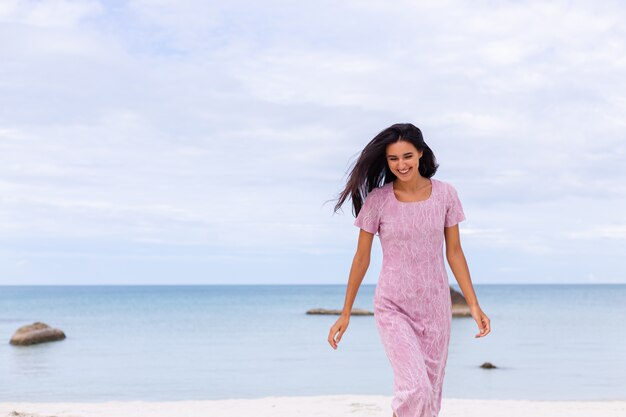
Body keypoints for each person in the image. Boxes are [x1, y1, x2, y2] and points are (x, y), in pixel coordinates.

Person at [327, 123, 491, 417]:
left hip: (436, 309)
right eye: (393, 159)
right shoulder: (378, 200)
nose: (400, 165)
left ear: (420, 154)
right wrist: (346, 311)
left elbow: (454, 252)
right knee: (415, 389)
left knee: (429, 398)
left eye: (407, 156)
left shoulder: (445, 195)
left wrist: (474, 305)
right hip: (393, 307)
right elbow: (361, 258)